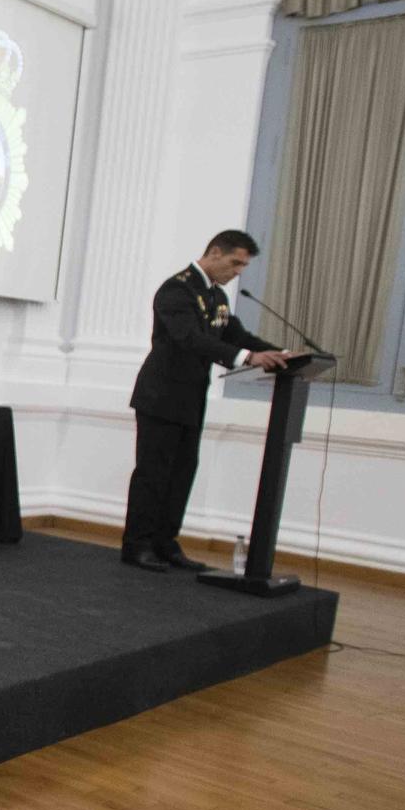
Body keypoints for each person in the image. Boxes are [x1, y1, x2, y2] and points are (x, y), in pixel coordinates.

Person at [122, 230, 289, 571]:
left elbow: (236, 336)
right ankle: (137, 544)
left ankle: (165, 542)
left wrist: (279, 353)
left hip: (191, 397)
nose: (238, 271)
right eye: (235, 262)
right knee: (154, 474)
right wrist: (247, 358)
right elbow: (189, 339)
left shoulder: (217, 296)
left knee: (182, 472)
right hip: (161, 396)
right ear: (215, 252)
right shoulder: (177, 290)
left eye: (243, 265)